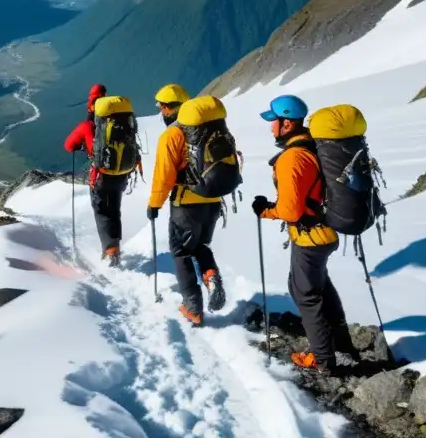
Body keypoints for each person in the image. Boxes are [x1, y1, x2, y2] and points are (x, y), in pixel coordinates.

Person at [252, 94, 359, 373]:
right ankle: (342, 343)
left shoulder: (292, 157)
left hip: (309, 237)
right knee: (321, 286)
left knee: (306, 294)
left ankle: (323, 360)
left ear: (286, 123)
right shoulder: (313, 145)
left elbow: (290, 211)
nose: (271, 126)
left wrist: (265, 210)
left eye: (273, 121)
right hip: (326, 232)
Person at [147, 85, 228, 327]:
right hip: (214, 200)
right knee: (200, 245)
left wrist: (154, 204)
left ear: (169, 109)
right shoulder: (212, 128)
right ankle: (210, 275)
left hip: (186, 203)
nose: (161, 111)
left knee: (181, 250)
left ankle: (193, 307)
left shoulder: (172, 135)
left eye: (163, 106)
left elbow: (164, 176)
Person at [64, 84, 127, 266]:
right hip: (120, 174)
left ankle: (110, 252)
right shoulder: (118, 123)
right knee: (114, 210)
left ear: (91, 106)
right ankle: (114, 247)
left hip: (100, 176)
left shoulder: (87, 126)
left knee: (101, 212)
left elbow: (68, 145)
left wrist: (82, 145)